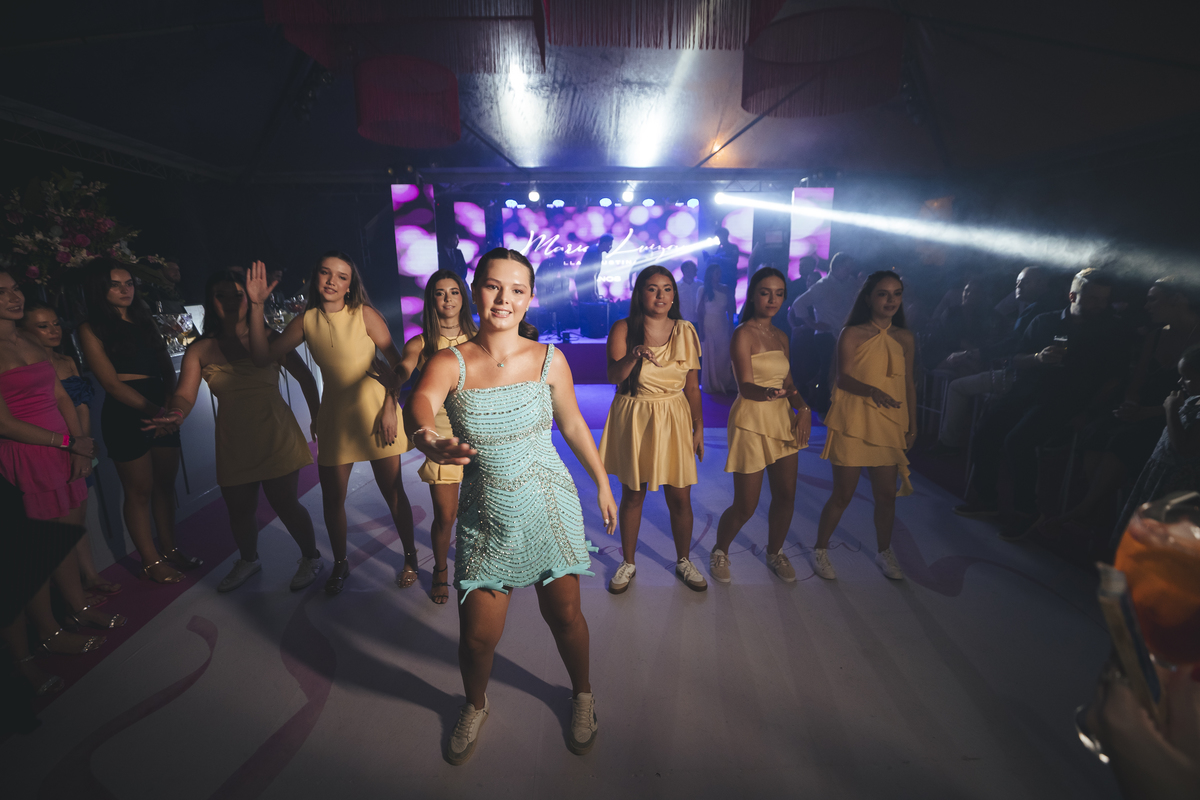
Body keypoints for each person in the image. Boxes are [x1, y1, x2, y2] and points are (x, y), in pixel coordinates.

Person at [407, 247, 617, 765]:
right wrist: (428, 437)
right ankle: (475, 703)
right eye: (493, 286)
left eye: (516, 289)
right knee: (478, 638)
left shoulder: (549, 359)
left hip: (547, 502)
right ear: (476, 291)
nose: (504, 298)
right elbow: (421, 401)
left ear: (529, 298)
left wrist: (602, 482)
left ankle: (583, 695)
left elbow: (572, 423)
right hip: (487, 510)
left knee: (565, 616)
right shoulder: (451, 361)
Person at [245, 253, 418, 595]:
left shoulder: (365, 314)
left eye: (341, 276)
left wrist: (390, 406)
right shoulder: (305, 321)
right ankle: (340, 563)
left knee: (394, 493)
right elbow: (262, 357)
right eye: (325, 273)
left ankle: (411, 558)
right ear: (316, 277)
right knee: (332, 499)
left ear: (350, 285)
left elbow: (397, 366)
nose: (331, 281)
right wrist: (256, 306)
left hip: (376, 412)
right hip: (336, 418)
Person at [144, 270, 323, 593]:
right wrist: (175, 414)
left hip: (275, 433)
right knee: (240, 509)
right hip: (233, 440)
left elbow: (306, 378)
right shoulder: (201, 348)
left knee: (285, 503)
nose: (229, 302)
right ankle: (248, 560)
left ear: (250, 298)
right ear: (209, 302)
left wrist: (317, 417)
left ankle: (311, 557)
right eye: (221, 295)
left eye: (237, 295)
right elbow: (184, 395)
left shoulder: (270, 337)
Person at [0, 268, 121, 659]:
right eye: (1, 292)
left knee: (64, 541)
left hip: (63, 449)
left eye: (15, 289)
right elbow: (4, 423)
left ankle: (78, 608)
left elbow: (62, 396)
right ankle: (49, 632)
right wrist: (68, 442)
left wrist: (80, 446)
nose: (14, 297)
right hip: (29, 455)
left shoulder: (26, 339)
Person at [956, 268, 1135, 532]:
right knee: (985, 431)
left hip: (1067, 402)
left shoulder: (1112, 331)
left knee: (1017, 441)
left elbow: (1115, 379)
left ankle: (1026, 511)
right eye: (1094, 298)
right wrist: (1038, 358)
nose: (1100, 305)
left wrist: (1090, 412)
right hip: (1027, 392)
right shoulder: (1045, 321)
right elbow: (1016, 359)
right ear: (1073, 296)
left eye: (1104, 299)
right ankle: (987, 499)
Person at [78, 259, 198, 584]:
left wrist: (170, 405)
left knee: (165, 485)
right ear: (99, 289)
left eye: (129, 283)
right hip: (126, 412)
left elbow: (167, 367)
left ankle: (170, 549)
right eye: (115, 284)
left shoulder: (145, 320)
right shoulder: (91, 328)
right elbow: (111, 384)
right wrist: (156, 411)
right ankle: (150, 560)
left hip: (161, 405)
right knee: (139, 491)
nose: (125, 290)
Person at [599, 266, 707, 593]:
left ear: (674, 295)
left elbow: (692, 387)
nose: (661, 295)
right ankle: (628, 562)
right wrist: (634, 356)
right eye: (652, 288)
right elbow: (613, 376)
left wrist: (698, 426)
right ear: (640, 293)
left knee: (680, 495)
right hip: (636, 413)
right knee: (634, 493)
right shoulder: (624, 327)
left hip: (674, 414)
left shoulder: (686, 330)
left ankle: (684, 560)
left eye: (667, 288)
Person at [810, 271, 917, 581]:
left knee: (886, 495)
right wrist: (872, 391)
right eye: (883, 294)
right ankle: (820, 550)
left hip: (887, 422)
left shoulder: (905, 337)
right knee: (843, 494)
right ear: (869, 298)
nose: (891, 300)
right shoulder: (852, 333)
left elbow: (909, 383)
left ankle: (884, 551)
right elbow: (842, 378)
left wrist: (912, 425)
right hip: (854, 420)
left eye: (897, 294)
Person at [710, 268, 811, 583]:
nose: (772, 299)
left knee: (786, 496)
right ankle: (720, 550)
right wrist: (767, 393)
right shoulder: (743, 333)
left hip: (781, 418)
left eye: (779, 293)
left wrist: (803, 408)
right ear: (753, 295)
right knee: (746, 505)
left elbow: (789, 384)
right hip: (751, 419)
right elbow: (745, 387)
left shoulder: (781, 336)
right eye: (766, 292)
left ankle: (775, 552)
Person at [19, 302, 121, 598]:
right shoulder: (26, 368)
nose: (54, 330)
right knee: (54, 523)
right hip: (47, 448)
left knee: (78, 515)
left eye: (55, 323)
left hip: (78, 446)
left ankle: (89, 576)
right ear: (23, 331)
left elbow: (81, 406)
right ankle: (69, 593)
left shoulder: (66, 360)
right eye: (43, 326)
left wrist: (83, 446)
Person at [395, 270, 477, 604]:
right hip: (442, 434)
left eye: (454, 292)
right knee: (446, 515)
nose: (448, 299)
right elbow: (404, 367)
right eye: (440, 293)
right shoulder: (420, 343)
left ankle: (482, 565)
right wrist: (395, 378)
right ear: (431, 300)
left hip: (481, 432)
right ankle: (441, 570)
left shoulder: (480, 337)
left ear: (463, 297)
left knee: (485, 512)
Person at [934, 265, 1056, 452]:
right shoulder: (1044, 307)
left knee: (957, 386)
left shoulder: (1037, 311)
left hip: (1021, 378)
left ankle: (949, 443)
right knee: (965, 372)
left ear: (1041, 283)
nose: (1018, 286)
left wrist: (974, 353)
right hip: (1027, 375)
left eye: (1024, 282)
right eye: (1017, 282)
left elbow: (1010, 344)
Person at [1108, 344, 1200, 556]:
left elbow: (1184, 448)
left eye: (1187, 377)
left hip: (1177, 482)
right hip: (1161, 473)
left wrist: (1171, 409)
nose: (1180, 382)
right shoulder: (1194, 401)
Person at [789, 253, 863, 413]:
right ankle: (824, 409)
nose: (849, 270)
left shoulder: (850, 283)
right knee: (828, 372)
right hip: (827, 335)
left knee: (844, 372)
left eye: (850, 267)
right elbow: (798, 304)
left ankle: (839, 407)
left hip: (845, 335)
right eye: (846, 267)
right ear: (837, 267)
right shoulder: (823, 285)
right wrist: (813, 324)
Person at [696, 263, 736, 394]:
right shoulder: (703, 289)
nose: (719, 275)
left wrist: (731, 325)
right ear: (710, 274)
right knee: (711, 354)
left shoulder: (725, 289)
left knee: (724, 354)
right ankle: (713, 383)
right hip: (708, 325)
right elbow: (700, 312)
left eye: (720, 273)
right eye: (716, 273)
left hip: (722, 324)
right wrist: (701, 330)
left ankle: (724, 381)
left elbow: (731, 308)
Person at [574, 235, 612, 304]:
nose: (611, 247)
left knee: (592, 301)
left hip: (587, 281)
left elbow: (594, 275)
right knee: (587, 303)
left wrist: (595, 293)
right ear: (604, 244)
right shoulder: (593, 252)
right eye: (609, 245)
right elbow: (591, 276)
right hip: (583, 282)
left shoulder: (598, 250)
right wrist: (594, 293)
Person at [676, 260, 702, 325]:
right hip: (683, 322)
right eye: (693, 268)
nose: (696, 270)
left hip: (699, 322)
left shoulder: (700, 285)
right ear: (685, 270)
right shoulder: (676, 287)